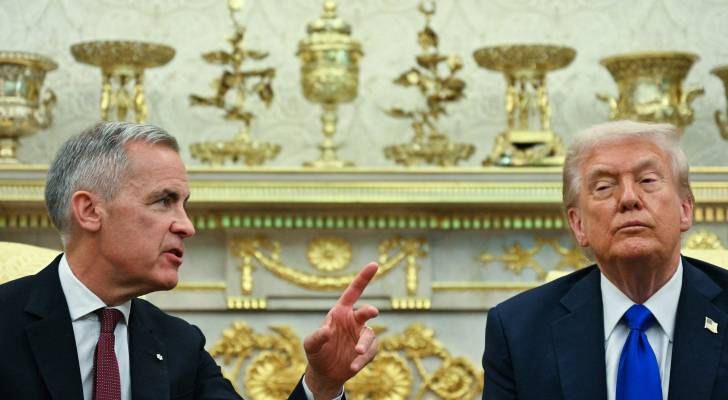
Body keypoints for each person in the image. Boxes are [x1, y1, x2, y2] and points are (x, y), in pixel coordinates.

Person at [0, 121, 380, 400]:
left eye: (184, 204)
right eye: (164, 201)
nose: (187, 226)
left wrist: (322, 384)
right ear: (89, 211)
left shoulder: (179, 344)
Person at [483, 120, 728, 400]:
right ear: (578, 224)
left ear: (685, 209)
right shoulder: (519, 332)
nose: (628, 198)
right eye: (604, 187)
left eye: (647, 180)